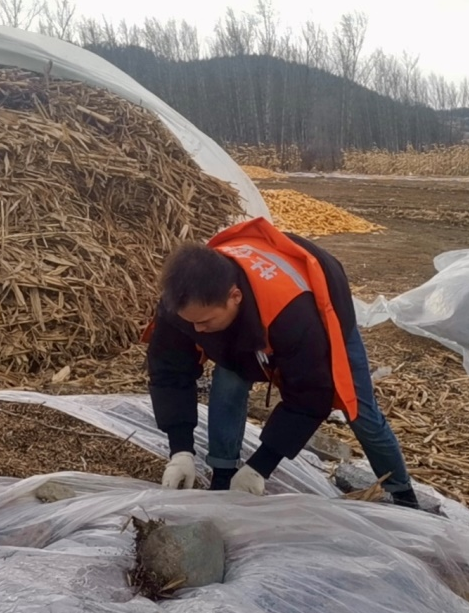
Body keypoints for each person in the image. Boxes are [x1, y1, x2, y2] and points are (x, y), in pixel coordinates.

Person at [144, 216, 420, 508]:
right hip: (248, 319)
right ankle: (223, 477)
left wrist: (260, 467)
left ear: (234, 297)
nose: (197, 330)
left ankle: (403, 493)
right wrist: (180, 450)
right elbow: (169, 371)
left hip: (323, 305)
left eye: (205, 321)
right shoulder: (184, 305)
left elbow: (311, 394)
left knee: (360, 410)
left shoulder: (294, 315)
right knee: (228, 384)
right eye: (191, 323)